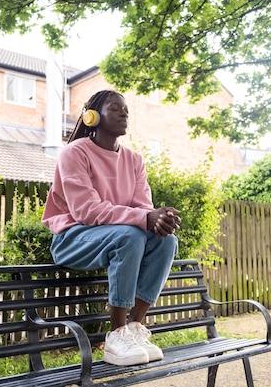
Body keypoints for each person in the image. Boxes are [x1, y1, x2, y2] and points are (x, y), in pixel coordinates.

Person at [41, 90, 181, 366]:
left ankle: (134, 328)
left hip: (114, 237)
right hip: (72, 238)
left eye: (126, 109)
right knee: (129, 235)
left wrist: (159, 217)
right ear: (92, 116)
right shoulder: (74, 153)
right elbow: (86, 210)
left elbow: (142, 206)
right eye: (115, 108)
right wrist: (144, 218)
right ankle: (116, 335)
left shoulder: (134, 160)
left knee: (166, 241)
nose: (124, 113)